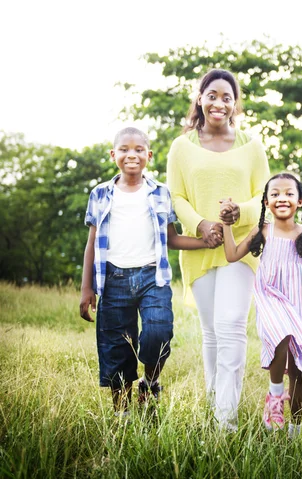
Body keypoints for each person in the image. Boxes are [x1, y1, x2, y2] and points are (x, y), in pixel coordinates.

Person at [166, 68, 270, 431]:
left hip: (238, 249)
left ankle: (226, 419)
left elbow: (265, 197)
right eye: (212, 95)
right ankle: (215, 407)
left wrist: (239, 212)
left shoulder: (251, 147)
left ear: (235, 104)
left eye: (227, 97)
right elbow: (175, 196)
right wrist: (201, 225)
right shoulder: (182, 147)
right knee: (210, 331)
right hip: (197, 250)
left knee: (230, 326)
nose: (219, 102)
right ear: (200, 98)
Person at [79, 127, 207, 416]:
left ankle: (150, 383)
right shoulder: (100, 193)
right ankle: (122, 414)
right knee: (116, 349)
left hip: (153, 278)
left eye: (139, 150)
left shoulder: (160, 192)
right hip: (113, 280)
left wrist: (203, 242)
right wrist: (87, 287)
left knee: (158, 332)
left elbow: (172, 239)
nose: (131, 155)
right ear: (113, 155)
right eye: (124, 149)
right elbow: (92, 244)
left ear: (148, 155)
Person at [220, 172, 302, 437]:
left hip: (300, 302)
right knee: (281, 332)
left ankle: (295, 430)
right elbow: (232, 255)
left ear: (300, 201)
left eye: (289, 193)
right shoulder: (264, 229)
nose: (282, 198)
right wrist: (226, 225)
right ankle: (275, 395)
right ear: (266, 202)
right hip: (270, 295)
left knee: (299, 372)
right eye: (275, 194)